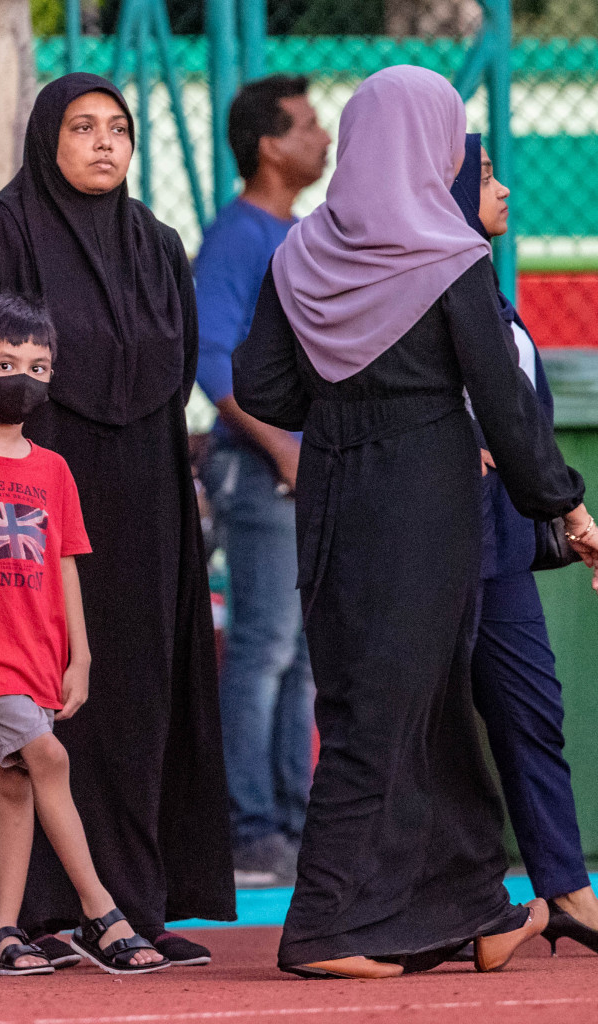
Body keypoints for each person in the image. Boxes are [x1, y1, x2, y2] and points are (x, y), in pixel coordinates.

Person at [232, 65, 598, 979]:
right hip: (425, 506)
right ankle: (320, 928)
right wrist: (565, 504)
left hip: (329, 500)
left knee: (421, 709)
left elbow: (262, 386)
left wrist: (351, 403)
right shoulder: (448, 254)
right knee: (382, 714)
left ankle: (470, 908)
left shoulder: (301, 253)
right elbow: (507, 410)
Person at [0, 72, 234, 970]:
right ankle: (21, 918)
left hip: (143, 505)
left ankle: (132, 905)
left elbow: (175, 375)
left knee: (133, 698)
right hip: (15, 520)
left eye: (119, 129)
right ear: (44, 139)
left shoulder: (159, 244)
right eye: (82, 128)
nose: (105, 143)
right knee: (27, 722)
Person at [0, 294, 167, 976]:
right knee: (48, 759)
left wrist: (79, 655)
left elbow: (64, 565)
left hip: (36, 651)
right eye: (5, 363)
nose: (22, 376)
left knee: (15, 782)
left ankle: (1, 928)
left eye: (38, 365)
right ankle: (103, 913)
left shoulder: (54, 470)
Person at [449, 133, 598, 955]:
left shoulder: (485, 284)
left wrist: (560, 508)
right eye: (486, 174)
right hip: (434, 536)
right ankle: (462, 905)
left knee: (531, 709)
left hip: (501, 536)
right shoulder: (413, 279)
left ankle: (565, 886)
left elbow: (518, 417)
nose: (505, 188)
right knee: (425, 727)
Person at [194, 75, 330, 886]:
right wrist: (282, 449)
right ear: (271, 145)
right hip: (264, 470)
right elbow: (213, 361)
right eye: (310, 126)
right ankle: (252, 832)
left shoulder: (304, 231)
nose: (325, 137)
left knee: (307, 654)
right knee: (266, 646)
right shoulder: (239, 236)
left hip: (310, 469)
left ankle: (294, 818)